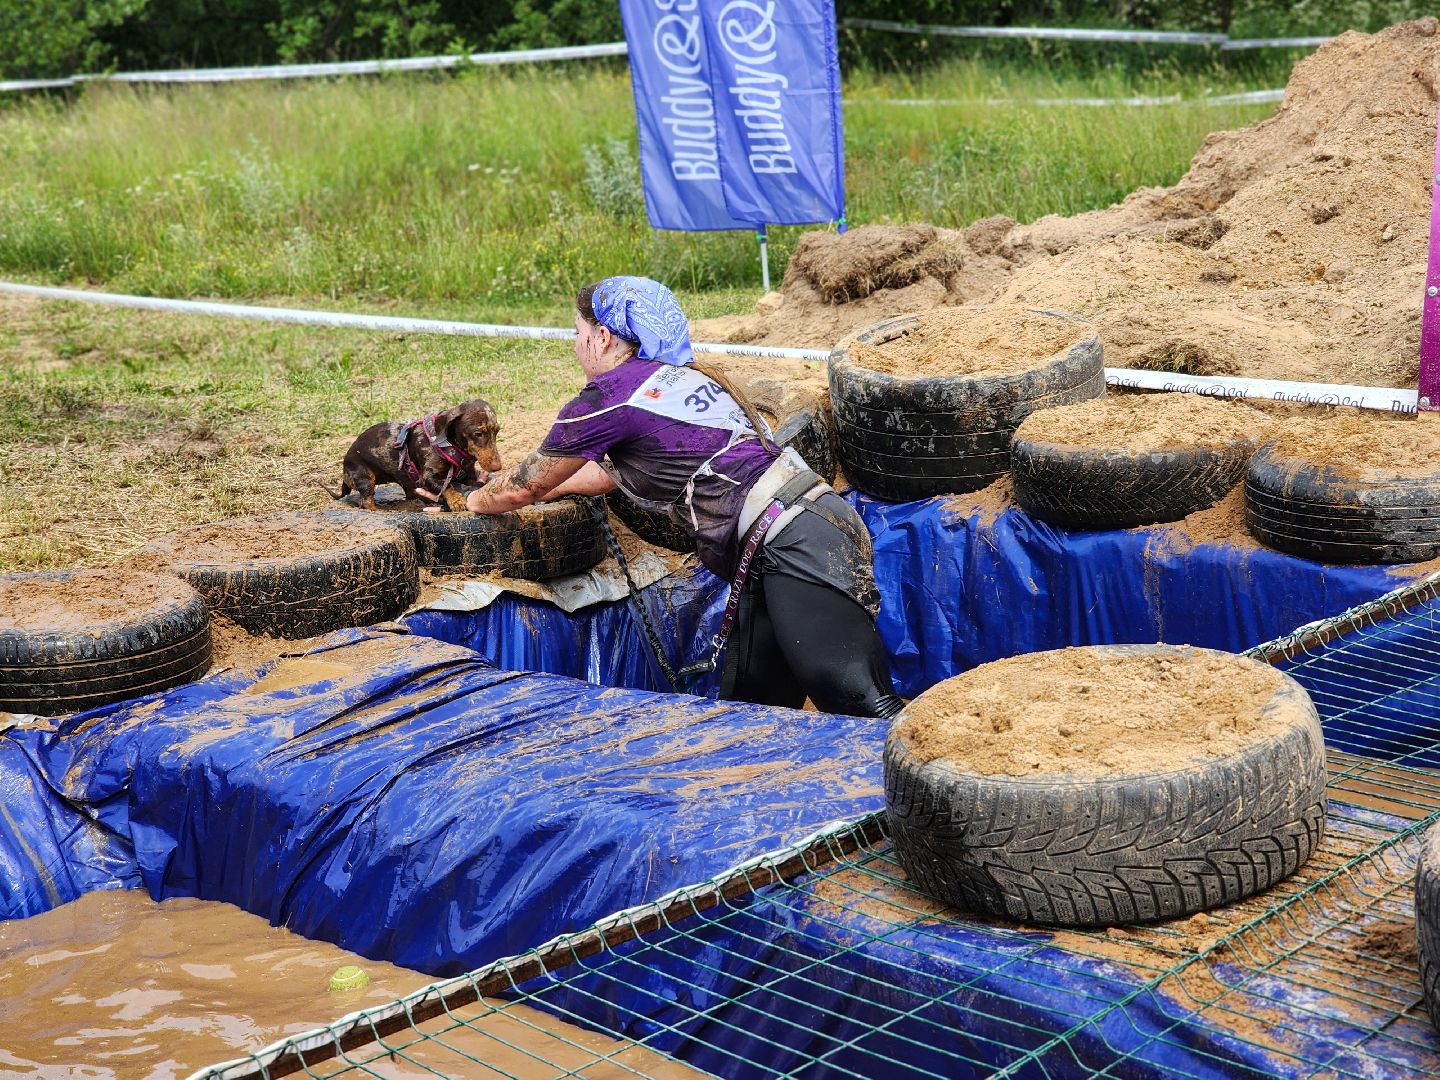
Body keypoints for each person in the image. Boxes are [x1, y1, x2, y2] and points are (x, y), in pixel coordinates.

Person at [460, 275, 904, 719]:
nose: (576, 346)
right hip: (798, 527)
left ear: (603, 336)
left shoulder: (610, 395)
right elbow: (597, 475)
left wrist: (471, 500)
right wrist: (552, 486)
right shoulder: (683, 377)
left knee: (867, 710)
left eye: (577, 333)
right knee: (752, 715)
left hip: (790, 541)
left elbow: (523, 486)